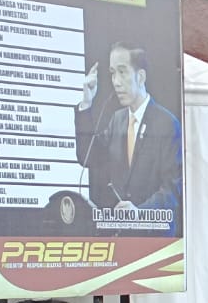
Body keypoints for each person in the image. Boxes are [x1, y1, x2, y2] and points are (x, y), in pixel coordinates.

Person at [76, 43, 183, 228]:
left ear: (140, 77)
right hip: (123, 235)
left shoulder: (167, 123)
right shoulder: (117, 120)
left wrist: (140, 213)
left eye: (122, 72)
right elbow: (87, 156)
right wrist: (86, 104)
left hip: (154, 236)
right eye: (112, 73)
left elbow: (172, 188)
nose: (116, 82)